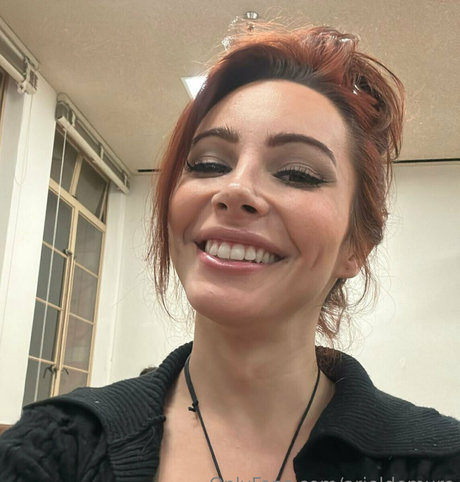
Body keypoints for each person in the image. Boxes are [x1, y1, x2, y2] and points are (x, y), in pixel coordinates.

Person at [1, 23, 459, 482]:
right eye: (208, 164)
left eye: (298, 173)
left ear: (355, 246)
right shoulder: (52, 449)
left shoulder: (437, 464)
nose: (235, 189)